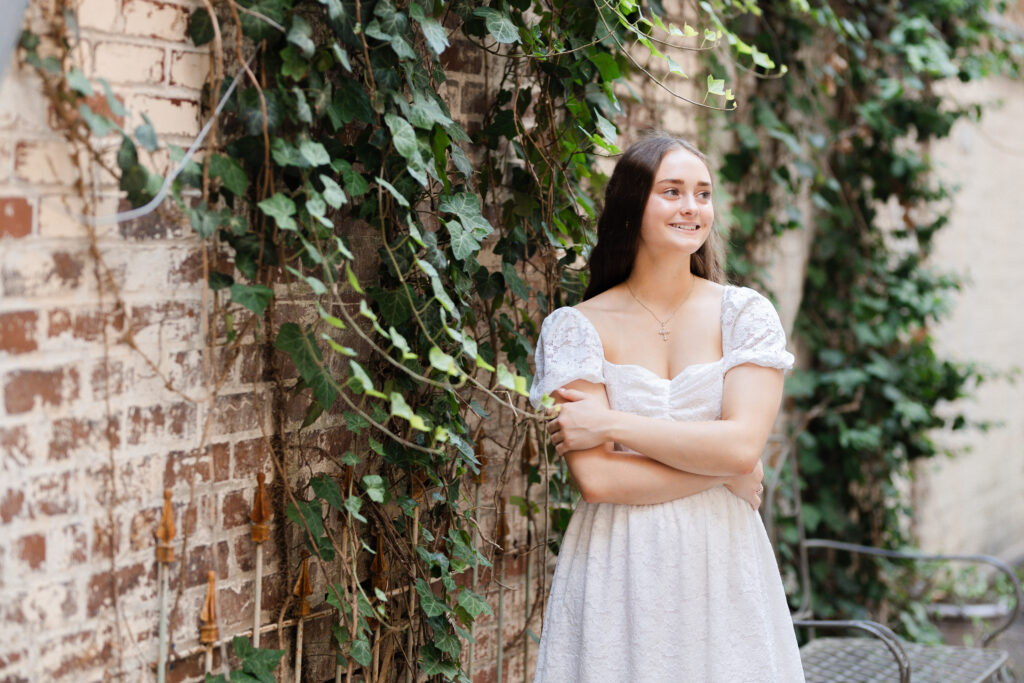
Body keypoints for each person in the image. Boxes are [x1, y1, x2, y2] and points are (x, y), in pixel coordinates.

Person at [529, 135, 805, 681]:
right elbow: (600, 480)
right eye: (672, 191)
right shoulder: (575, 328)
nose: (692, 208)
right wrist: (721, 471)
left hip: (723, 561)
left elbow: (744, 446)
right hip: (617, 562)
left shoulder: (745, 316)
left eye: (703, 194)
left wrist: (610, 422)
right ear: (632, 206)